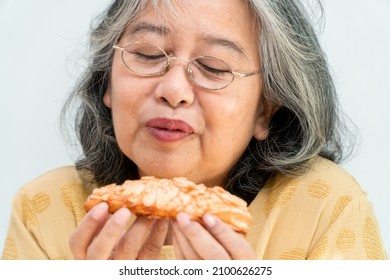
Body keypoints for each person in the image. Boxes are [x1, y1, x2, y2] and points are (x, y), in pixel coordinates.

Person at [1, 0, 387, 260]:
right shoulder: (45, 208)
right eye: (148, 55)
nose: (173, 90)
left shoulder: (324, 206)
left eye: (216, 67)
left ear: (264, 111)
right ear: (107, 83)